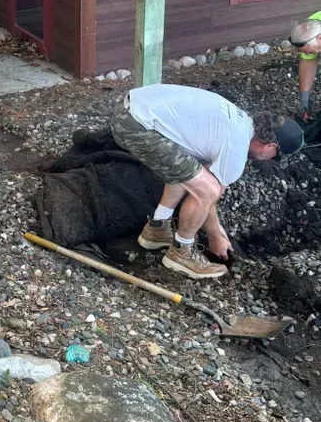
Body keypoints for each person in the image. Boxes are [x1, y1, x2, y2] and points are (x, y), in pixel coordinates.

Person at [111, 84, 304, 280]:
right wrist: (215, 237)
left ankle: (157, 228)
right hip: (136, 126)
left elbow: (195, 176)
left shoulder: (239, 121)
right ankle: (181, 253)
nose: (271, 160)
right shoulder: (236, 148)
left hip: (129, 109)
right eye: (275, 156)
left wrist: (218, 229)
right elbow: (209, 193)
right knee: (208, 189)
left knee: (192, 171)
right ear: (271, 145)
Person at [289, 13, 321, 121]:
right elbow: (308, 61)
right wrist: (304, 100)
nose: (308, 54)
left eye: (310, 51)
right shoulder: (312, 25)